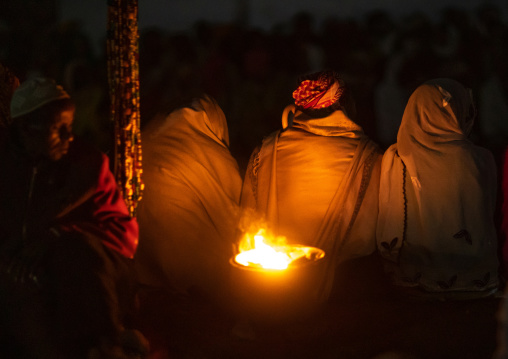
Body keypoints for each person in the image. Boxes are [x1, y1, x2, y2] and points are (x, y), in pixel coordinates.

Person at [0, 77, 147, 358]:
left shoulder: (87, 165)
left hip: (91, 271)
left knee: (75, 254)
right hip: (21, 270)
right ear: (25, 128)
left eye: (70, 126)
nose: (70, 137)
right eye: (59, 129)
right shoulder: (5, 162)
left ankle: (104, 343)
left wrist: (58, 236)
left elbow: (123, 236)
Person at [240, 70, 382, 301]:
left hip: (268, 285)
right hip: (342, 287)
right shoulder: (370, 155)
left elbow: (246, 221)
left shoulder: (266, 149)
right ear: (344, 104)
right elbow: (368, 238)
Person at [376, 78, 500, 300]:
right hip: (477, 275)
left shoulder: (399, 157)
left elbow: (389, 215)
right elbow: (487, 211)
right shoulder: (482, 158)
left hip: (414, 276)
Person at [135, 94, 242, 303]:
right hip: (198, 278)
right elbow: (236, 213)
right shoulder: (211, 152)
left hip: (144, 271)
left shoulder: (146, 139)